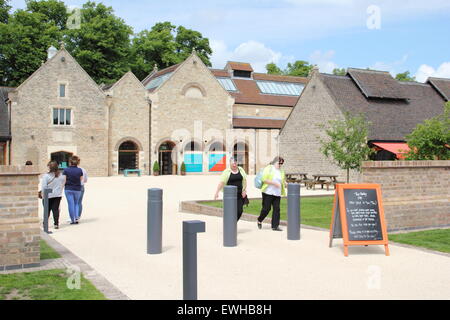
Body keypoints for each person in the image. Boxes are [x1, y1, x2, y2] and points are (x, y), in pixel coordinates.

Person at [257, 157, 287, 232]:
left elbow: (283, 181)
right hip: (268, 192)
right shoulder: (269, 168)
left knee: (277, 209)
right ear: (274, 162)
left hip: (277, 193)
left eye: (281, 163)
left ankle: (275, 226)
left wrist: (286, 184)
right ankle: (259, 220)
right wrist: (274, 183)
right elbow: (264, 179)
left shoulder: (281, 171)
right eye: (279, 163)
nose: (280, 165)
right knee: (266, 209)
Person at [214, 157, 248, 221]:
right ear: (230, 163)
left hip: (239, 194)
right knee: (230, 211)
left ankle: (232, 224)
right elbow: (221, 183)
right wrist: (217, 192)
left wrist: (244, 190)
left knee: (240, 211)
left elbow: (245, 181)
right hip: (230, 195)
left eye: (235, 163)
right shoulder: (226, 172)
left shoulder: (241, 169)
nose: (234, 165)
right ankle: (230, 226)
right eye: (233, 163)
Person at [40, 161, 66, 229]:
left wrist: (42, 194)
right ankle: (56, 224)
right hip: (57, 195)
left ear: (49, 167)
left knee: (46, 210)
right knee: (55, 210)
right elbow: (63, 183)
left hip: (47, 195)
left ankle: (45, 223)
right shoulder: (61, 175)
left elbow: (44, 187)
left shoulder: (46, 176)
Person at [63, 156, 83, 225]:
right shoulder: (80, 170)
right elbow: (81, 180)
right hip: (77, 189)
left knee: (70, 204)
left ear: (70, 162)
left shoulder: (66, 170)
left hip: (68, 188)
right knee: (76, 203)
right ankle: (76, 218)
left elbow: (64, 180)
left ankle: (72, 220)